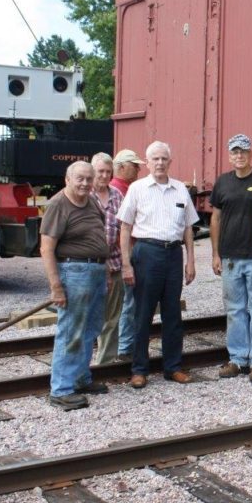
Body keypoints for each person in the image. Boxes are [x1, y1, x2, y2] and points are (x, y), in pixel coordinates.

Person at [118, 141, 198, 389]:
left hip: (173, 255)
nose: (160, 163)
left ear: (170, 162)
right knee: (142, 314)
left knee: (172, 314)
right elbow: (125, 227)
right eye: (155, 159)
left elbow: (187, 228)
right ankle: (139, 369)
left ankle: (172, 367)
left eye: (164, 159)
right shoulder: (137, 189)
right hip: (146, 253)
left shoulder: (180, 190)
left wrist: (191, 261)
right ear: (148, 162)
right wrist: (126, 265)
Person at [40, 161, 109, 410]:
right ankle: (61, 389)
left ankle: (80, 379)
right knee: (71, 331)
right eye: (80, 178)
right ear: (67, 179)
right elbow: (46, 248)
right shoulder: (59, 204)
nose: (85, 183)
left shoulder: (91, 201)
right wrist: (56, 286)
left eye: (89, 179)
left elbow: (98, 232)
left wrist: (105, 271)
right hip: (73, 271)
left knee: (90, 329)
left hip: (96, 270)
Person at [210, 134, 252, 382]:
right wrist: (215, 253)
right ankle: (237, 359)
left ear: (251, 154)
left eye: (243, 152)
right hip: (230, 258)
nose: (239, 156)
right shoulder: (222, 182)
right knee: (235, 310)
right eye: (235, 152)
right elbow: (215, 218)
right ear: (229, 155)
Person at [89, 152, 126, 365]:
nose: (103, 176)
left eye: (107, 172)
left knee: (111, 319)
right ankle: (82, 367)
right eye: (99, 171)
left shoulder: (117, 196)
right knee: (89, 317)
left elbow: (124, 229)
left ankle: (104, 364)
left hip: (114, 264)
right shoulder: (85, 195)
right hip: (91, 266)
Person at [111, 148, 145, 360]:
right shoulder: (119, 191)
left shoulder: (125, 188)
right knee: (129, 302)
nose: (139, 169)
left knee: (127, 302)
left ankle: (124, 346)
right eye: (135, 165)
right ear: (122, 167)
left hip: (126, 252)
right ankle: (125, 348)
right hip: (127, 253)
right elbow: (119, 228)